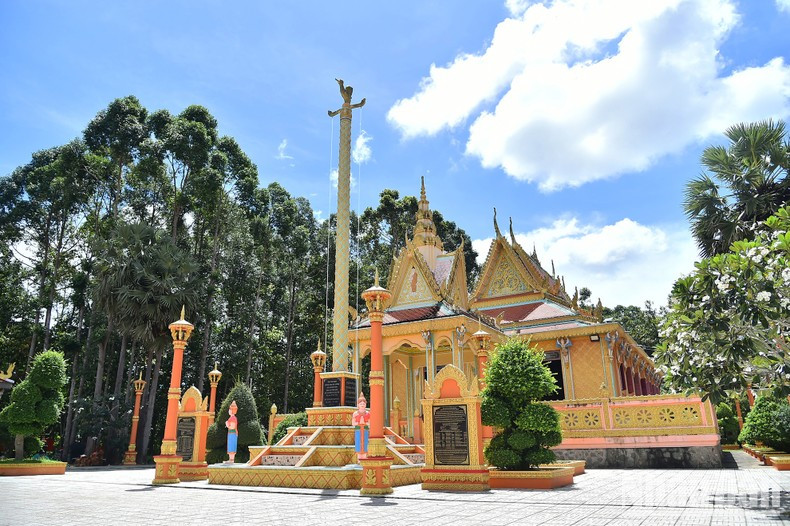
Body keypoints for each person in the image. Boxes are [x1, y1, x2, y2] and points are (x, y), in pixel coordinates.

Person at [352, 392, 370, 460]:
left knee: (365, 444)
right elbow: (353, 423)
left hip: (365, 430)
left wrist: (365, 422)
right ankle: (359, 459)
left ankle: (364, 457)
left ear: (365, 405)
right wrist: (359, 422)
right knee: (359, 443)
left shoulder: (368, 413)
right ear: (358, 405)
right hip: (358, 430)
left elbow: (370, 423)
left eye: (363, 404)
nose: (362, 405)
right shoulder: (355, 413)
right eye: (361, 404)